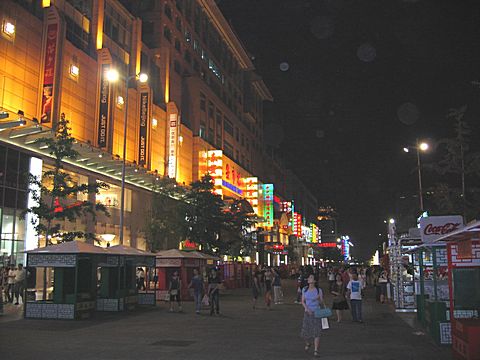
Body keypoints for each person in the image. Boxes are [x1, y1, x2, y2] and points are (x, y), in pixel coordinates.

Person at [301, 274, 324, 357]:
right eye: (309, 277)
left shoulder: (318, 290)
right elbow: (302, 301)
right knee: (304, 333)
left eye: (311, 278)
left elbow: (321, 302)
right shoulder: (305, 289)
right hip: (307, 312)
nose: (309, 279)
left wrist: (319, 299)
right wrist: (307, 309)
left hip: (317, 312)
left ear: (314, 281)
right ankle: (308, 343)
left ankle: (316, 350)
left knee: (317, 331)